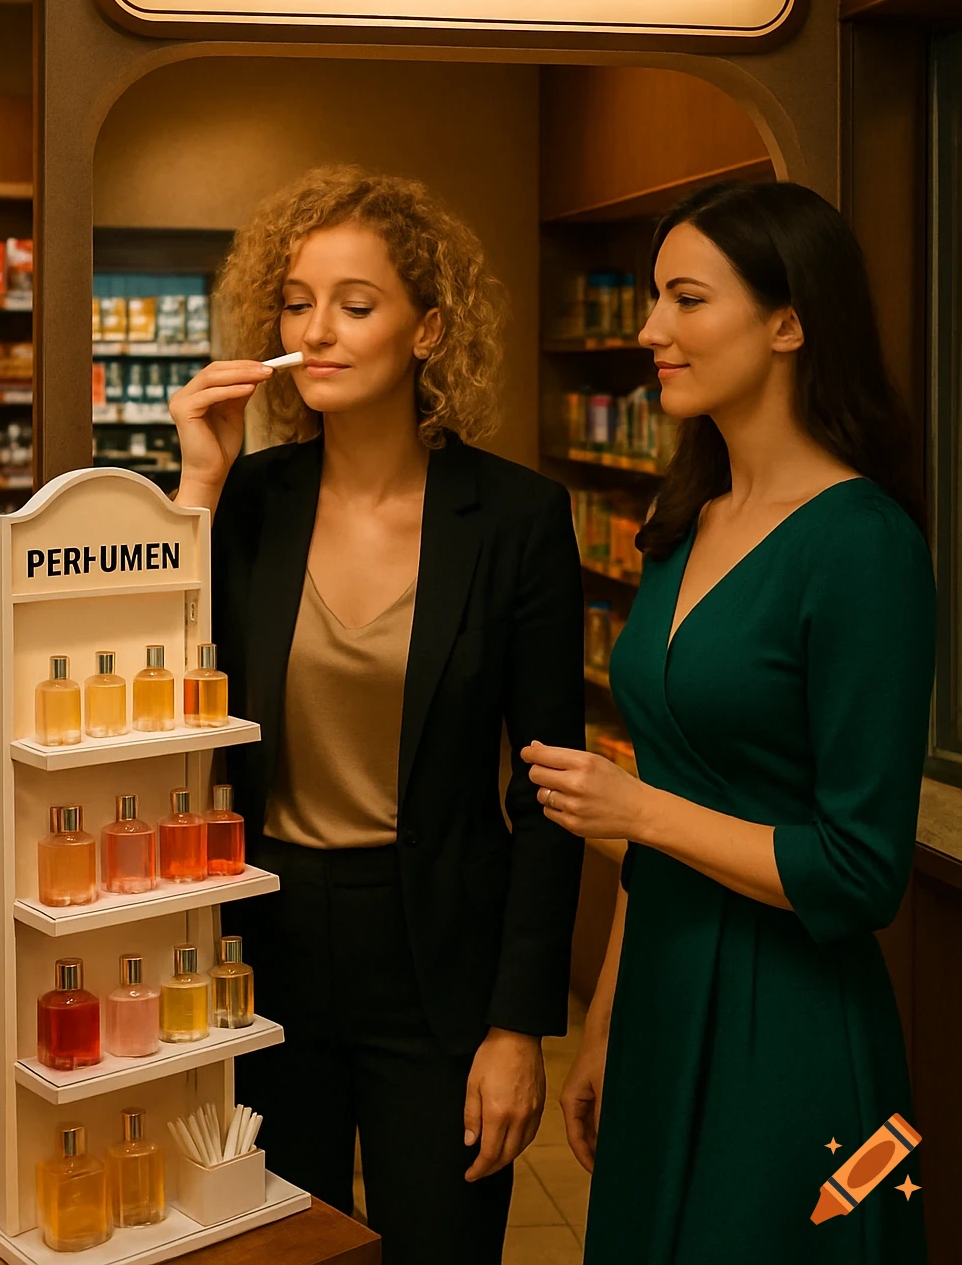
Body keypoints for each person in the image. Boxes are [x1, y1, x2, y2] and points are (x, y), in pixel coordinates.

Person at [170, 165, 585, 1265]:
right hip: (263, 949)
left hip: (437, 959)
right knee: (278, 1248)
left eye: (356, 306)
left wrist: (518, 1026)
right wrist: (196, 489)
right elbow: (164, 694)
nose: (319, 332)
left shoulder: (514, 519)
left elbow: (547, 791)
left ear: (429, 328)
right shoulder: (251, 499)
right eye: (298, 304)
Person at [523, 180, 935, 1265]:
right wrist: (605, 1021)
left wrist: (635, 810)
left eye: (686, 299)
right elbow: (671, 794)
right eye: (656, 299)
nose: (651, 330)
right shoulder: (684, 517)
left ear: (789, 321)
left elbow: (858, 871)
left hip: (788, 1028)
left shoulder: (863, 545)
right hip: (661, 991)